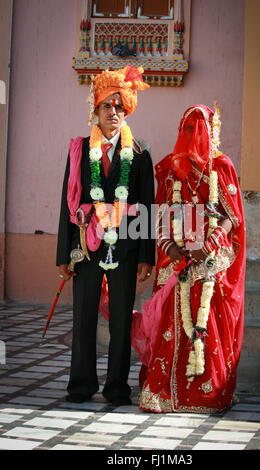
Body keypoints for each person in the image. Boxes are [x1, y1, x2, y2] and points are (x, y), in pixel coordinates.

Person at [56, 66, 155, 406]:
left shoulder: (140, 154)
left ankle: (116, 388)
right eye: (106, 106)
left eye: (119, 107)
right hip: (86, 245)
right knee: (83, 317)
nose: (113, 113)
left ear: (126, 110)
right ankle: (81, 386)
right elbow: (67, 203)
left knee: (120, 321)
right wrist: (64, 254)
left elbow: (146, 208)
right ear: (95, 110)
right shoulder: (79, 150)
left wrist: (146, 256)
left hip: (126, 247)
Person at [137, 104, 246, 413]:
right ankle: (164, 394)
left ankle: (205, 396)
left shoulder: (221, 166)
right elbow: (160, 215)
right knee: (172, 321)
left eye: (199, 130)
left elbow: (231, 217)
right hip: (177, 258)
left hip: (209, 257)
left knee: (206, 320)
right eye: (187, 129)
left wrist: (208, 246)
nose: (193, 136)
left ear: (211, 132)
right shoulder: (171, 168)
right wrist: (169, 247)